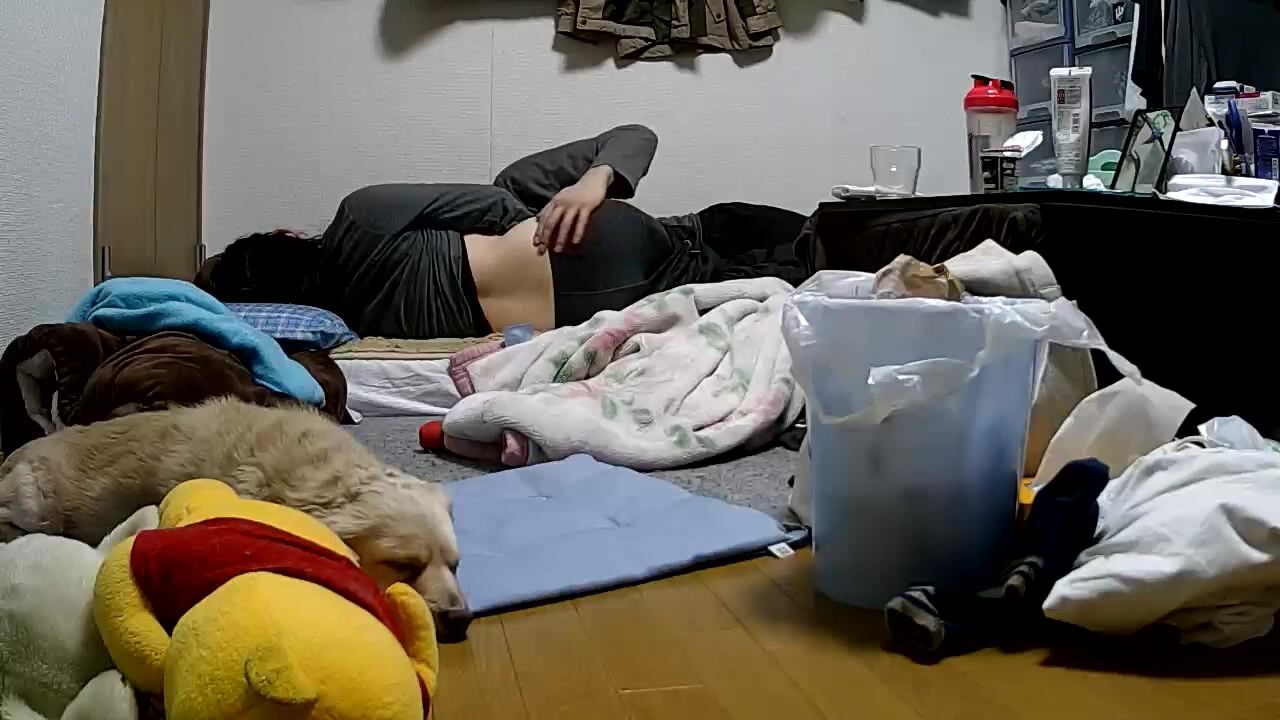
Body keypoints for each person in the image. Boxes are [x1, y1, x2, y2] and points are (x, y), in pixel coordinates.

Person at [196, 125, 807, 339]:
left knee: (825, 275)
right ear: (287, 237)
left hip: (657, 298)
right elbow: (495, 207)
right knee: (831, 240)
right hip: (678, 246)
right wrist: (595, 183)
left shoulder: (356, 322)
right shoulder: (359, 218)